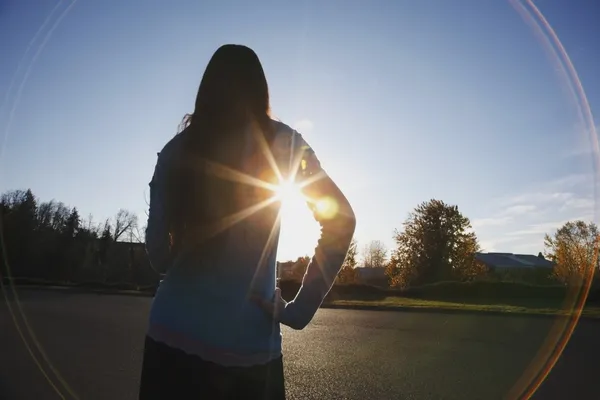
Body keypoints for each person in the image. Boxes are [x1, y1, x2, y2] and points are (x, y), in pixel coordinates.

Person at [139, 44, 356, 400]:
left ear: (205, 90)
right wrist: (298, 310)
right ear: (261, 90)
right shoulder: (285, 144)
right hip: (249, 348)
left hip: (170, 340)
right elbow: (341, 219)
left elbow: (159, 257)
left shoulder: (175, 151)